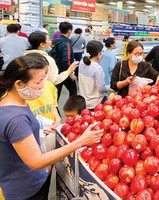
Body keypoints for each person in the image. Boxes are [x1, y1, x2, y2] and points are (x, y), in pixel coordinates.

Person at [0, 54, 103, 200]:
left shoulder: (14, 101)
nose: (43, 86)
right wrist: (80, 142)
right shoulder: (16, 119)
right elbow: (36, 162)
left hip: (23, 180)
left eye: (44, 79)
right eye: (38, 82)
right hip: (25, 189)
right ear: (18, 84)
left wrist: (39, 129)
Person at [78, 41, 107, 110]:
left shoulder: (82, 62)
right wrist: (107, 88)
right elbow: (101, 88)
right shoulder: (97, 68)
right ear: (99, 53)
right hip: (96, 102)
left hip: (84, 101)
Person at [54, 22, 77, 100]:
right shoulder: (66, 43)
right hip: (65, 71)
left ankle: (54, 111)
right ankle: (71, 110)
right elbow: (66, 59)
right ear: (69, 31)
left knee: (56, 94)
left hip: (56, 70)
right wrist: (70, 73)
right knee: (73, 91)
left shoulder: (56, 41)